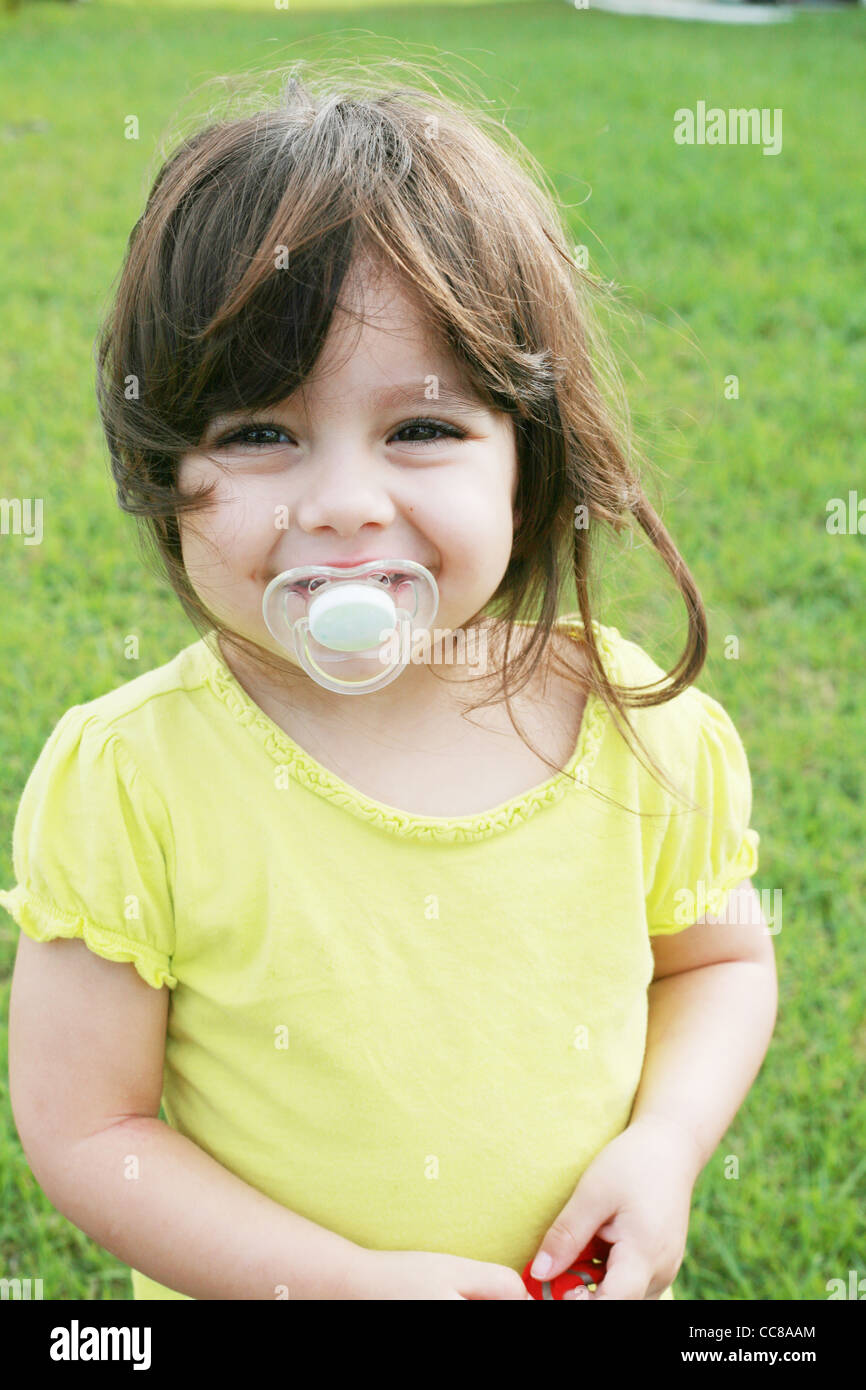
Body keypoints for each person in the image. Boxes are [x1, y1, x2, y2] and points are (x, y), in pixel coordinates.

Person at [1, 66, 776, 1301]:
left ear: (528, 455)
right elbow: (91, 1132)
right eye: (259, 431)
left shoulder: (641, 732)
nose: (346, 503)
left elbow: (718, 964)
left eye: (421, 428)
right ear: (164, 465)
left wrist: (665, 1143)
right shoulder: (133, 780)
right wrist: (339, 1282)